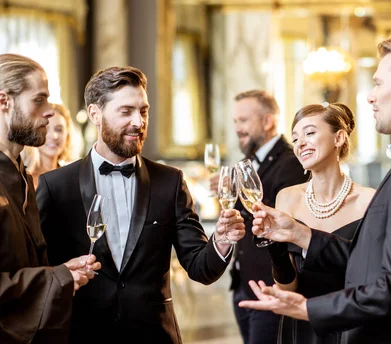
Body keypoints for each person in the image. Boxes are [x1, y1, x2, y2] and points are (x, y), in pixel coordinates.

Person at [240, 34, 391, 343]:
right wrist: (298, 233)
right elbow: (372, 259)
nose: (370, 97)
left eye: (378, 84)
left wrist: (310, 308)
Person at [38, 66, 245, 344]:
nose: (138, 121)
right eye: (126, 111)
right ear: (95, 114)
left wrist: (220, 240)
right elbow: (39, 268)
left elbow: (200, 268)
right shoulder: (56, 185)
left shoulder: (170, 182)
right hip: (81, 334)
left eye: (143, 111)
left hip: (154, 336)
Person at [0, 53, 100, 344]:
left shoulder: (22, 175)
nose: (49, 111)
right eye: (39, 100)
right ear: (4, 101)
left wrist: (63, 271)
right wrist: (59, 278)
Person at [269, 102, 375, 344]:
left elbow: (372, 277)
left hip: (351, 326)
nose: (300, 144)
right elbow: (287, 290)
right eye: (295, 139)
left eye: (310, 133)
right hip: (299, 328)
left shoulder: (370, 201)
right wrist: (273, 249)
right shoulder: (286, 198)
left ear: (338, 138)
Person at [210, 90, 307, 344]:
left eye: (243, 121)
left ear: (267, 121)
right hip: (243, 282)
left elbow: (285, 219)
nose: (237, 128)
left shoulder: (292, 162)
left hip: (272, 286)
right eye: (235, 122)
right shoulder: (247, 162)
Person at [23, 103, 74, 187]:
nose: (54, 136)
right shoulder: (22, 178)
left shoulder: (73, 176)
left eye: (59, 129)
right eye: (45, 129)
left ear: (67, 134)